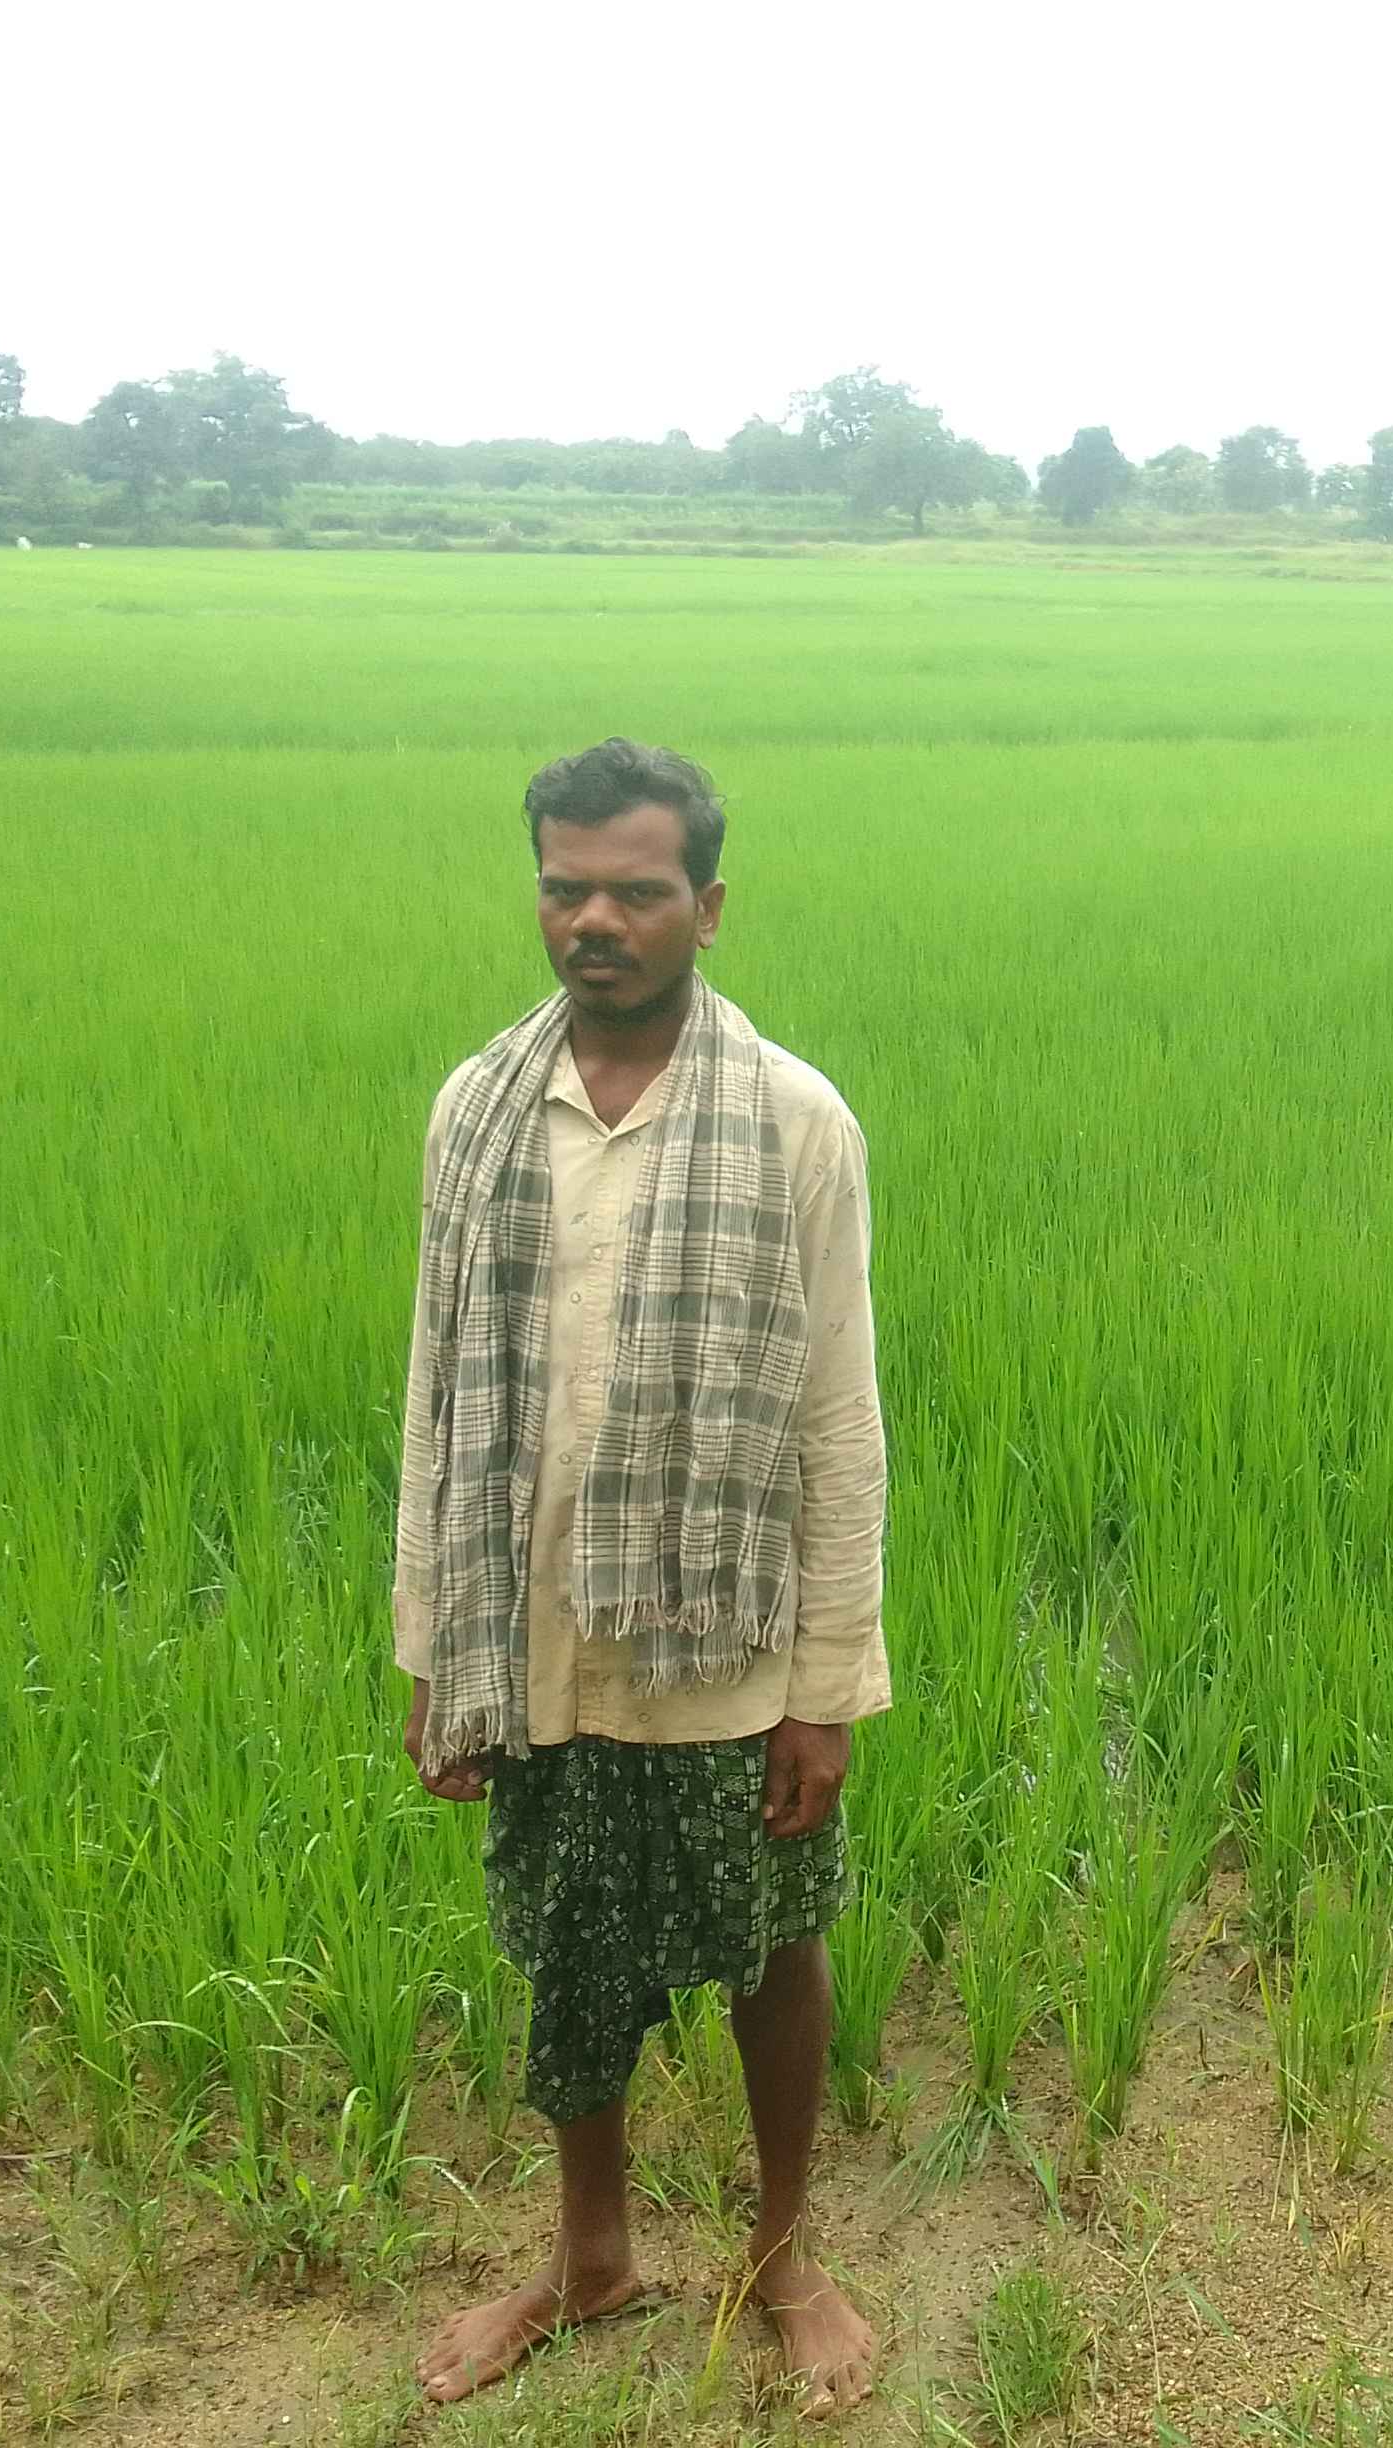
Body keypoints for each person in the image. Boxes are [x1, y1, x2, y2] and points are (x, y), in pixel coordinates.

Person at [392, 737, 890, 2414]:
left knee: (771, 1946)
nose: (594, 921)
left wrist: (827, 1689)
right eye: (565, 888)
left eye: (636, 892)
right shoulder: (478, 1110)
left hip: (723, 1642)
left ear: (708, 906)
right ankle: (589, 2257)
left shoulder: (795, 1121)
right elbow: (437, 1391)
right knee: (569, 1946)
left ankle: (782, 2253)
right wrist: (432, 1645)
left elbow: (837, 1417)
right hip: (531, 1633)